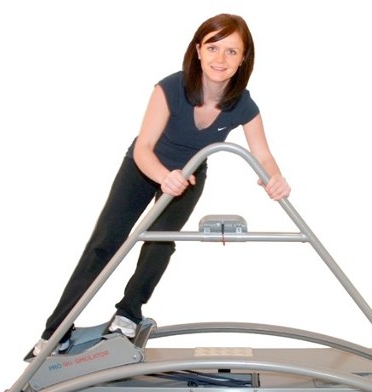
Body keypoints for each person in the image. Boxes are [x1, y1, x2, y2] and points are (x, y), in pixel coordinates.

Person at [33, 13, 291, 356]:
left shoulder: (243, 104)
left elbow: (263, 155)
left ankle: (127, 314)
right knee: (105, 243)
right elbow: (143, 148)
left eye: (231, 51)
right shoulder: (169, 88)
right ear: (198, 50)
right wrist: (162, 177)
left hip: (189, 175)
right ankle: (55, 331)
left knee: (160, 241)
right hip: (143, 169)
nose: (220, 58)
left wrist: (275, 178)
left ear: (243, 58)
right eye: (212, 47)